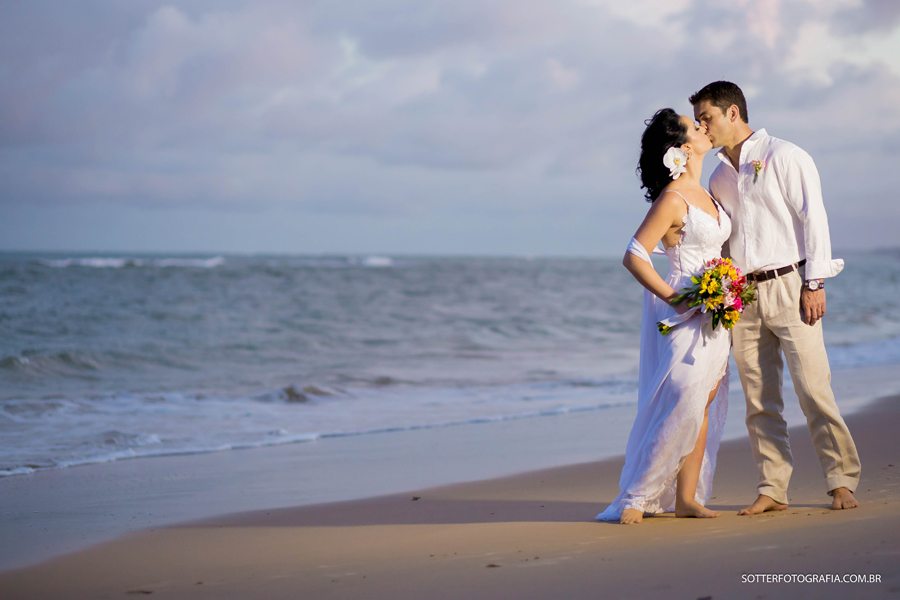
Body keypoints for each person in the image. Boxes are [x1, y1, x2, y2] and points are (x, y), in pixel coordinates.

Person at [690, 81, 861, 514]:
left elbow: (814, 217)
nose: (701, 127)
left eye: (705, 117)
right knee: (759, 400)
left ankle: (841, 480)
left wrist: (815, 282)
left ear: (733, 113)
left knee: (813, 389)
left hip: (792, 285)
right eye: (698, 120)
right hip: (743, 296)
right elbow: (724, 242)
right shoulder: (717, 175)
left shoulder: (785, 155)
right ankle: (773, 488)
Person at [596, 108, 731, 524]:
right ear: (684, 147)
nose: (703, 127)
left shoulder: (710, 193)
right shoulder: (673, 197)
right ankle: (637, 496)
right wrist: (674, 297)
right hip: (683, 307)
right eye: (695, 126)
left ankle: (687, 498)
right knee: (680, 393)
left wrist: (728, 288)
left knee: (703, 398)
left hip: (716, 310)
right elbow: (634, 255)